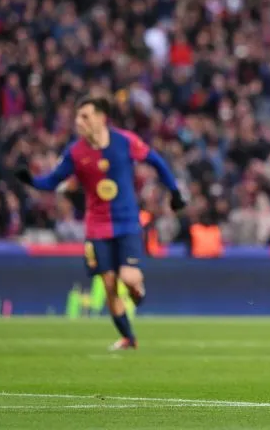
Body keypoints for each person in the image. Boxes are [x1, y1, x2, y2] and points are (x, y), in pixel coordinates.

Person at [16, 96, 186, 350]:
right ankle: (128, 338)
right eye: (77, 116)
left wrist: (175, 192)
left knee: (128, 277)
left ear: (101, 118)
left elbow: (157, 162)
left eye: (85, 116)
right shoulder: (75, 152)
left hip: (127, 222)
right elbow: (51, 181)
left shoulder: (125, 141)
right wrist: (30, 180)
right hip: (97, 227)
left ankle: (137, 290)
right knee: (108, 285)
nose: (78, 121)